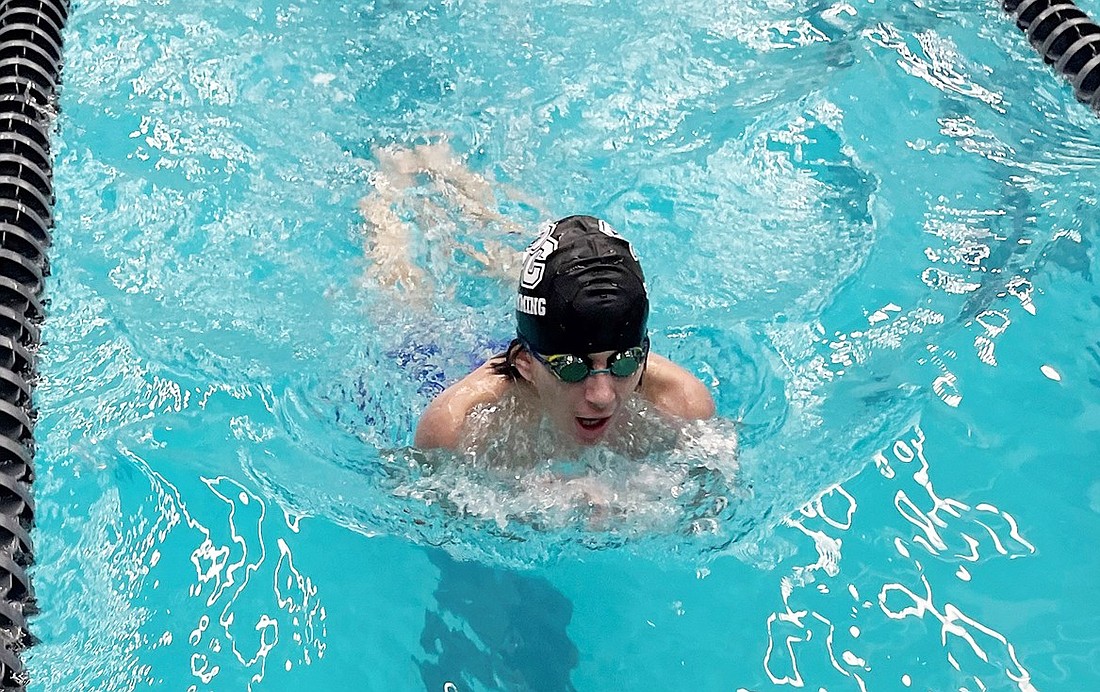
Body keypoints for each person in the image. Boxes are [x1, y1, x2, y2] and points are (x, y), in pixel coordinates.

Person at [415, 214, 715, 451]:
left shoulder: (683, 406)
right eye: (571, 368)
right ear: (524, 363)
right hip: (446, 353)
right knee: (408, 289)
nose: (602, 396)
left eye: (623, 362)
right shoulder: (456, 428)